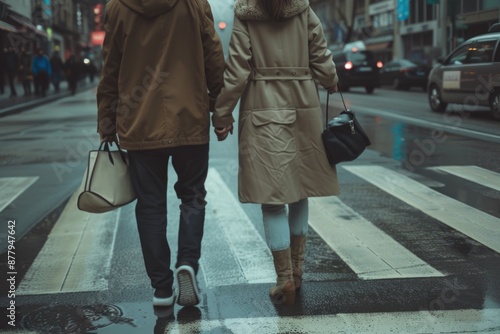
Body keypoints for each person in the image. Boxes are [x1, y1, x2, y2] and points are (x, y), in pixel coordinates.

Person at [97, 0, 224, 308]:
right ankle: (187, 264)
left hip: (140, 122)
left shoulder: (117, 7)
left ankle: (162, 289)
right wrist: (220, 107)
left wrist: (107, 120)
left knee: (150, 205)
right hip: (190, 116)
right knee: (192, 196)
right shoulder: (194, 4)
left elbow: (110, 66)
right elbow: (214, 56)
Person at [213, 0, 339, 305]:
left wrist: (222, 113)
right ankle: (297, 270)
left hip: (262, 108)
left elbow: (238, 68)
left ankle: (284, 279)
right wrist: (331, 81)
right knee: (300, 191)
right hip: (303, 106)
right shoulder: (304, 11)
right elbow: (320, 54)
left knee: (272, 199)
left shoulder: (246, 15)